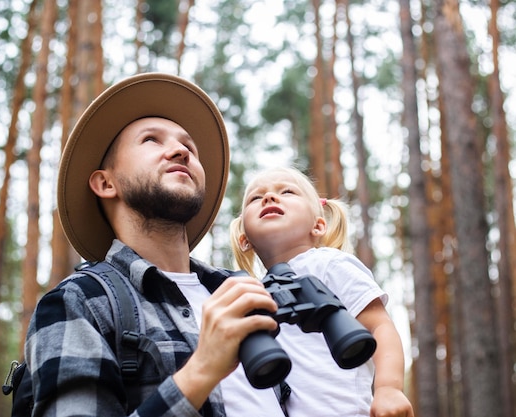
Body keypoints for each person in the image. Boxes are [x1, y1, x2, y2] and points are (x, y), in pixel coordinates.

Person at [25, 73, 287, 417]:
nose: (181, 151)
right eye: (151, 140)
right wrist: (202, 370)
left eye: (189, 147)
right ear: (106, 183)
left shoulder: (244, 291)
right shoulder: (81, 302)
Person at [230, 166, 414, 417]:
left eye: (287, 191)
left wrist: (388, 388)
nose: (269, 198)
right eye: (255, 197)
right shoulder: (253, 293)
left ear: (318, 226)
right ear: (244, 239)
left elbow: (379, 325)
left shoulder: (329, 264)